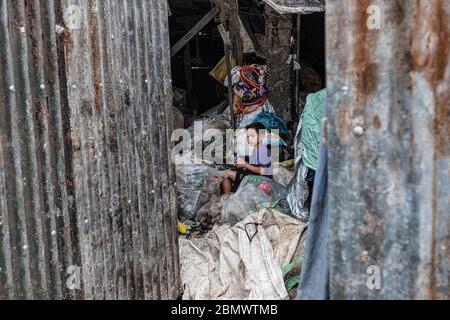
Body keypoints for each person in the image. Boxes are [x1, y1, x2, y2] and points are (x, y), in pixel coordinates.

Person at [222, 122, 273, 193]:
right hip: (257, 178)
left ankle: (227, 199)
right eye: (248, 136)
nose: (249, 139)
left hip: (261, 182)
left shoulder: (263, 150)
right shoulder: (257, 148)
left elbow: (262, 171)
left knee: (226, 174)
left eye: (252, 136)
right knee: (233, 171)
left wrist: (245, 165)